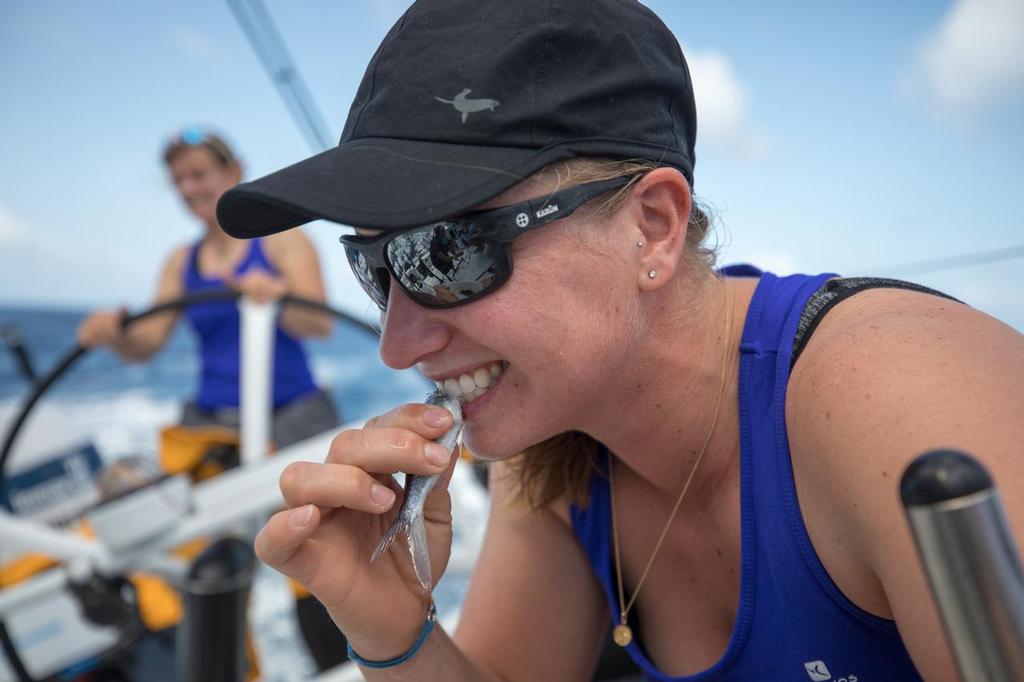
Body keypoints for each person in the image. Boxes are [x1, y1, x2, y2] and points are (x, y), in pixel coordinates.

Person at [217, 1, 1024, 680]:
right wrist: (392, 628)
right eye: (374, 268)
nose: (398, 343)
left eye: (447, 253)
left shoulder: (897, 397)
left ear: (654, 228)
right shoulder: (563, 443)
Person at [75, 127, 348, 673]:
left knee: (318, 566)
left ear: (234, 170)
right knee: (201, 569)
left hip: (293, 419)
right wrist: (114, 332)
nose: (189, 188)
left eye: (199, 174)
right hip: (213, 429)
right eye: (179, 181)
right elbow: (145, 346)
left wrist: (277, 296)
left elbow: (317, 323)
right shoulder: (183, 262)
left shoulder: (282, 241)